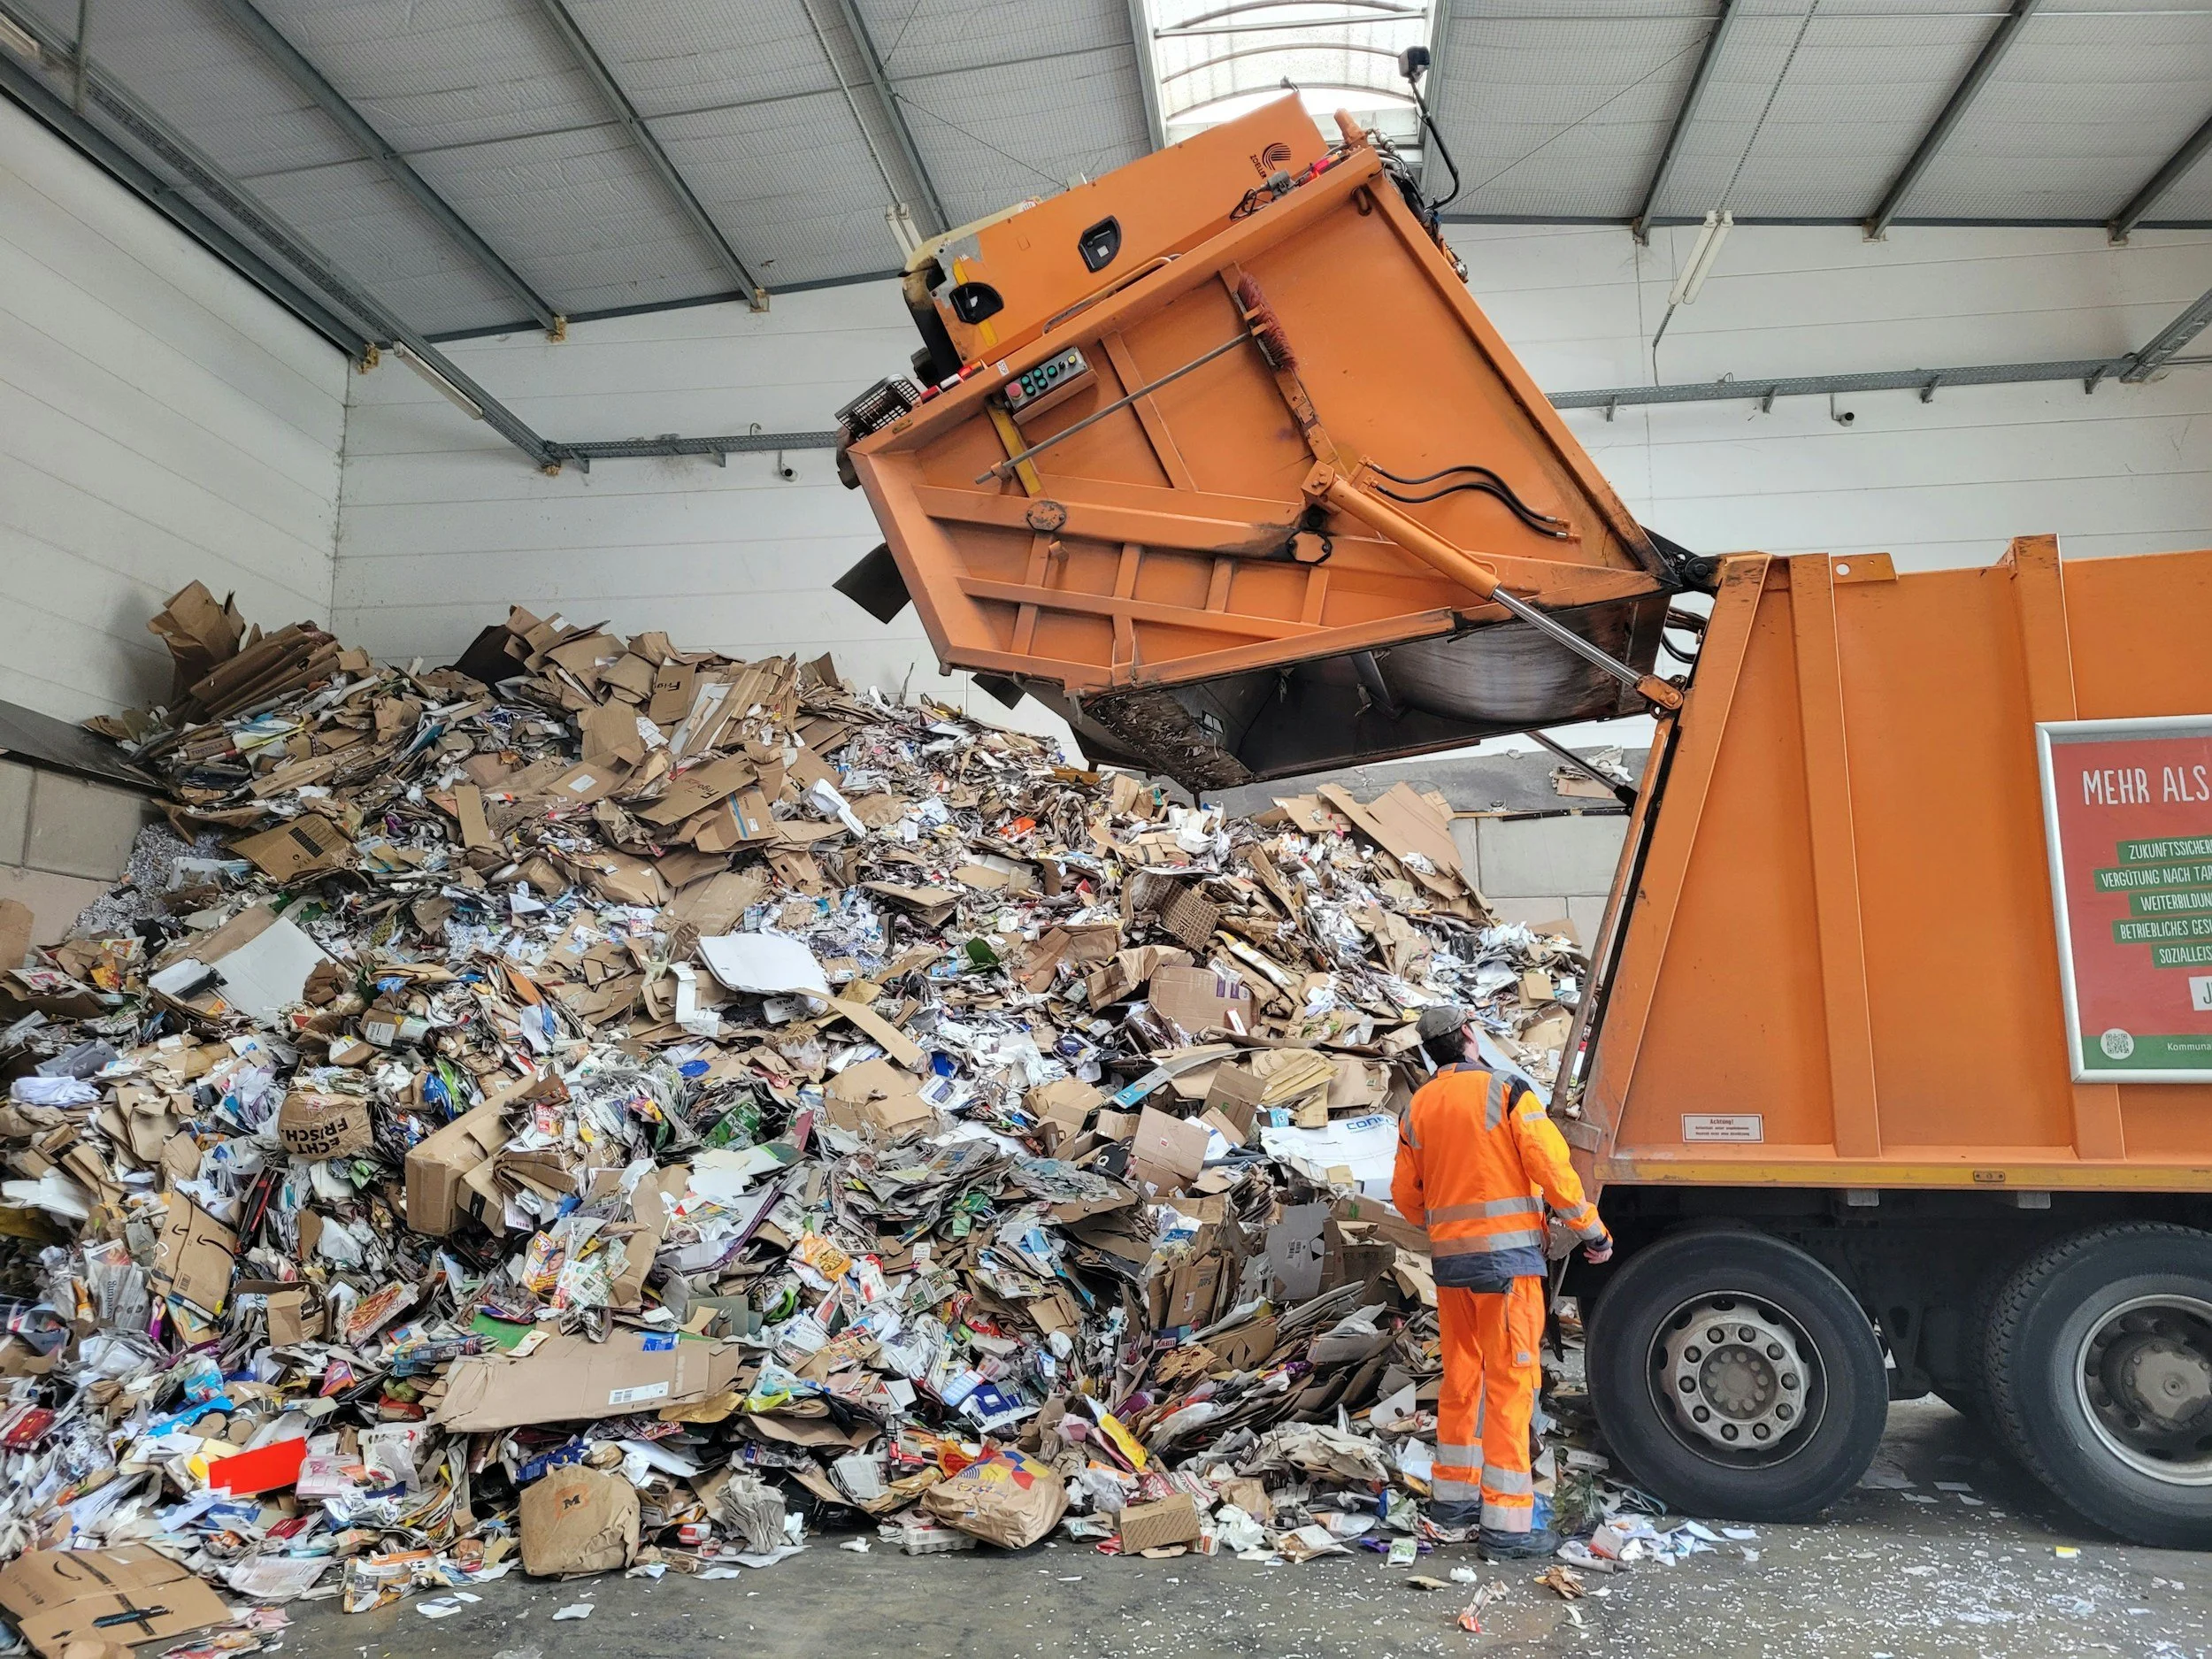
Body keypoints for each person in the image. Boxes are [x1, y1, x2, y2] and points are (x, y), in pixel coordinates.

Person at [1391, 1004, 1613, 1558]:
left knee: (1462, 1376)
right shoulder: (1508, 1092)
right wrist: (1592, 1232)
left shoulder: (1418, 1107)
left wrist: (1448, 1226)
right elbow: (1553, 1170)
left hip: (1452, 1268)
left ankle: (1453, 1500)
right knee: (1512, 1381)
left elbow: (1406, 1196)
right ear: (1468, 1035)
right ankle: (1507, 1525)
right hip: (1507, 1268)